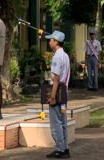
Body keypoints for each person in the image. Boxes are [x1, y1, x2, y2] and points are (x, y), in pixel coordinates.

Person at [45, 30, 70, 159]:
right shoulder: (65, 55)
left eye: (51, 40)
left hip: (58, 93)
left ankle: (60, 149)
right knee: (63, 121)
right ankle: (65, 148)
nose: (49, 42)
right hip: (64, 93)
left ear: (56, 41)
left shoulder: (56, 57)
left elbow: (56, 78)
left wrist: (52, 97)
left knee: (56, 123)